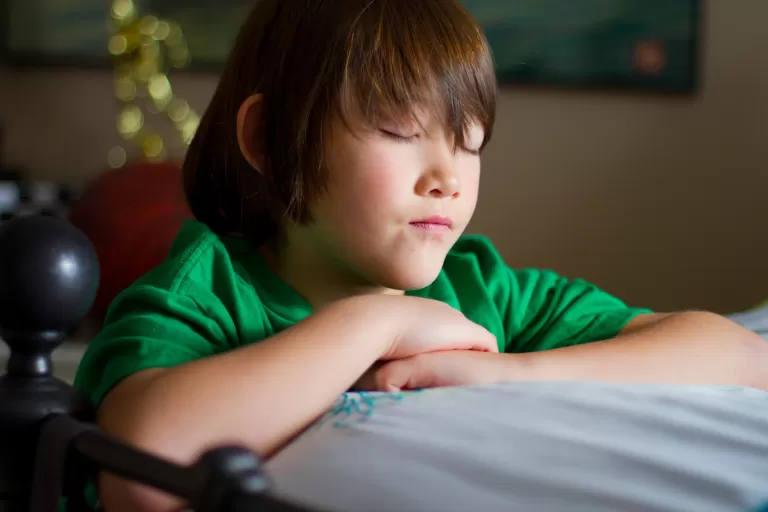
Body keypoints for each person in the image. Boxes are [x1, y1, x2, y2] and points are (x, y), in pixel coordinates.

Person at [73, 0, 768, 510]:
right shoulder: (207, 290)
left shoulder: (484, 292)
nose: (449, 175)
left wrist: (511, 376)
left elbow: (741, 357)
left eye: (469, 141)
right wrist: (376, 325)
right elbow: (143, 458)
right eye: (399, 127)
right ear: (270, 139)